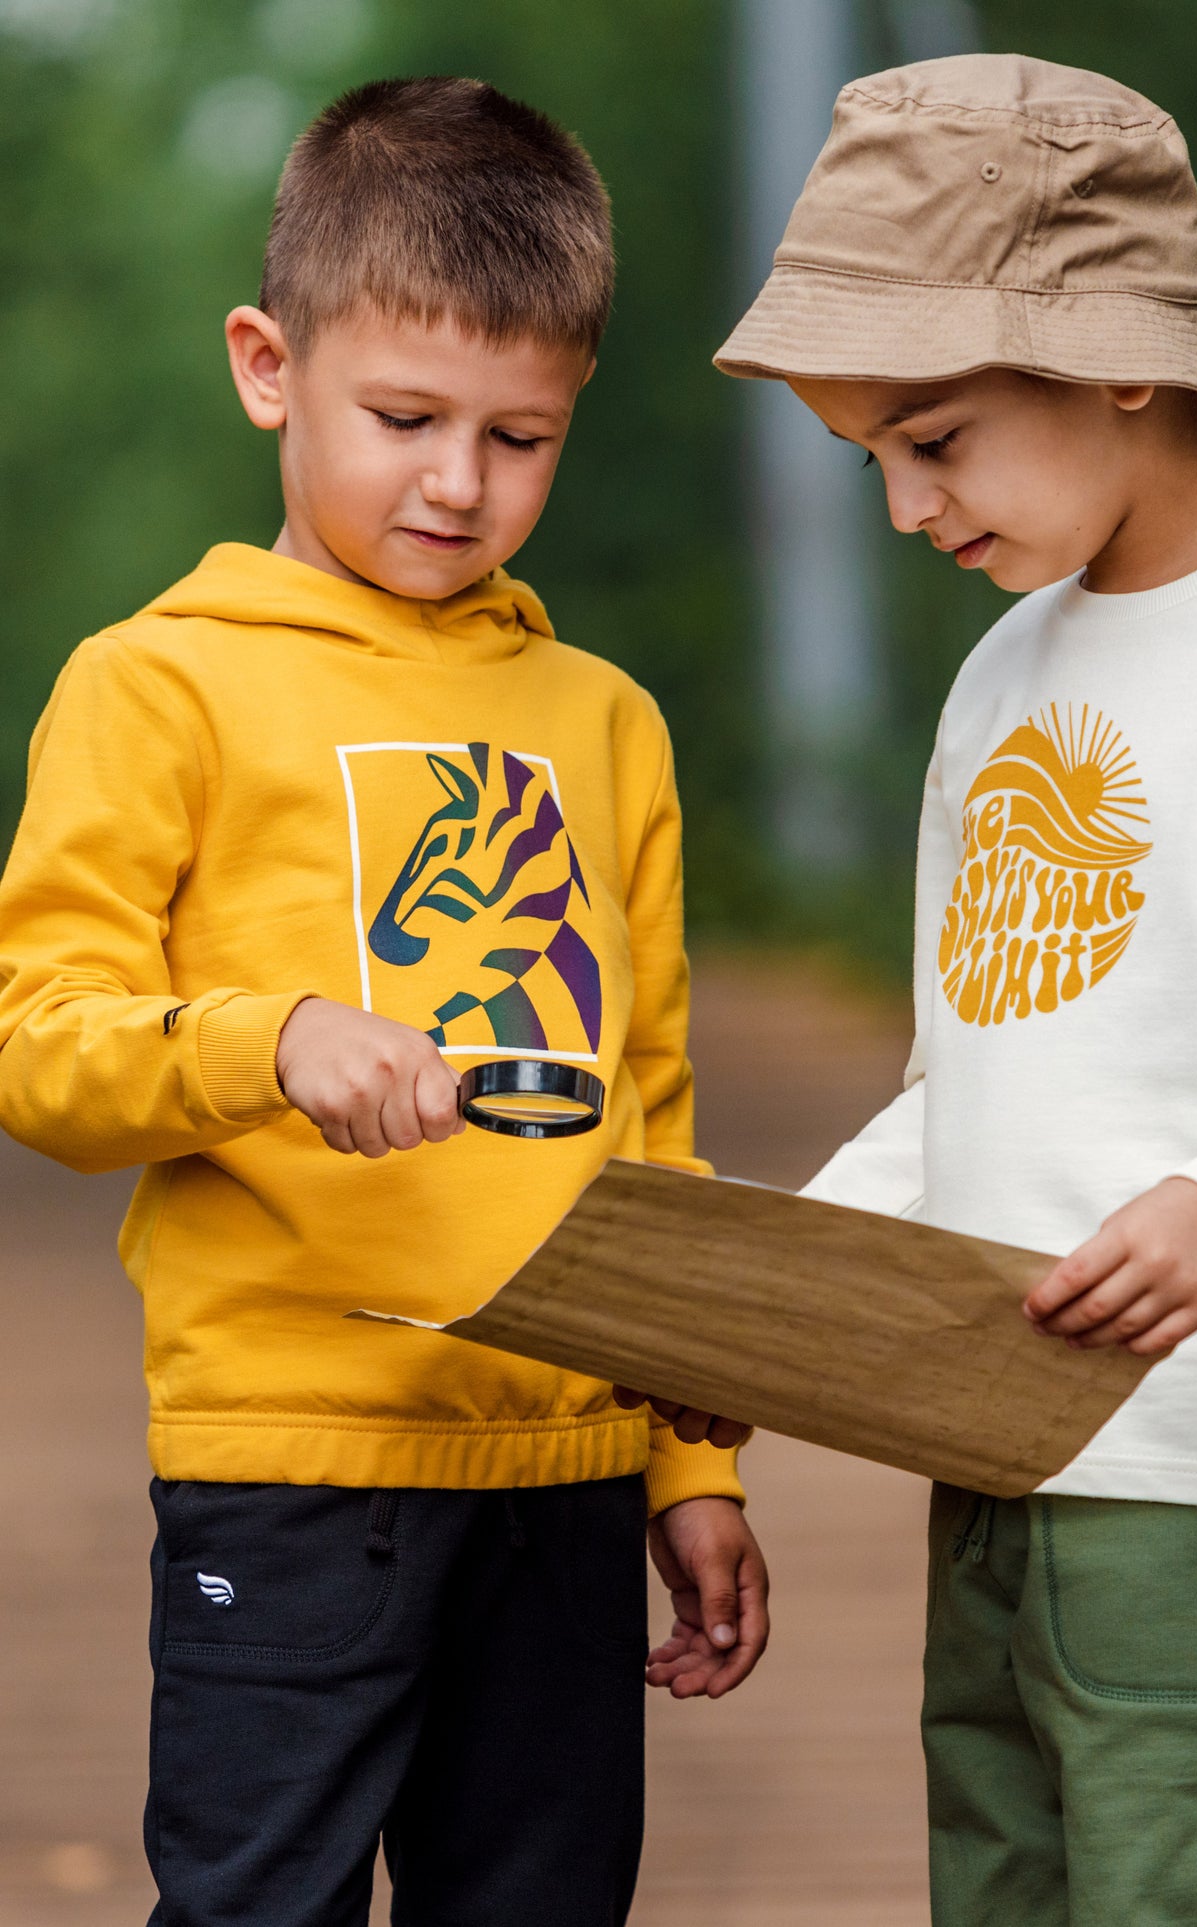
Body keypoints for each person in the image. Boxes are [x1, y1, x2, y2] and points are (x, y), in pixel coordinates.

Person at [0, 76, 765, 1927]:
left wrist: (690, 1454)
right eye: (404, 418)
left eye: (521, 437)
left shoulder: (603, 722)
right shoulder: (157, 687)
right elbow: (43, 1046)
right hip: (295, 1462)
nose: (457, 483)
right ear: (271, 365)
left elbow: (648, 1103)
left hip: (568, 1468)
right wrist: (265, 1040)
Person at [700, 52, 1197, 1924]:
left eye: (933, 439)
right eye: (866, 456)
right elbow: (979, 1077)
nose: (900, 509)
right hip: (986, 1446)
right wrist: (760, 1298)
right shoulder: (1003, 673)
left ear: (1120, 354)